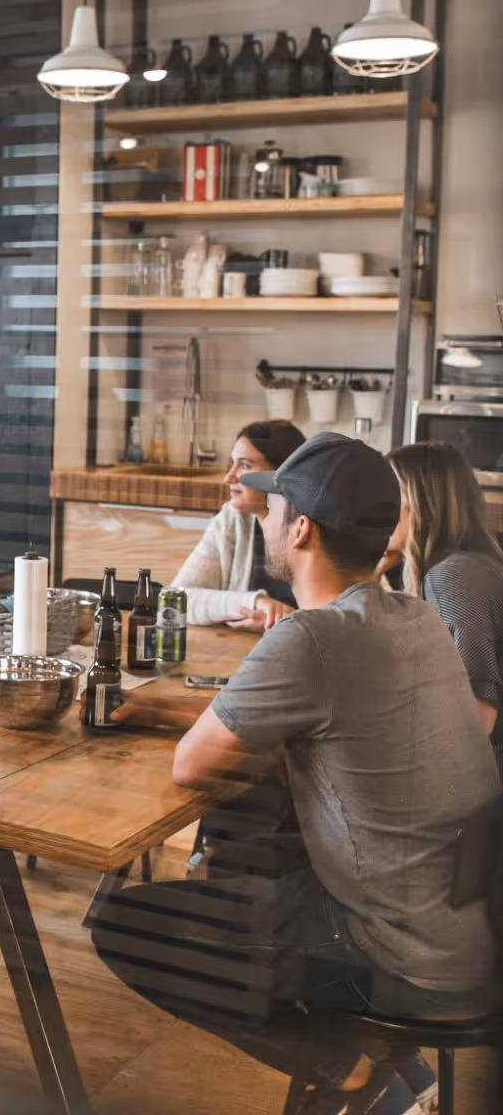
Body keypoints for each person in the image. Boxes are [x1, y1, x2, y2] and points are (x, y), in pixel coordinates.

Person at [91, 433, 502, 1115]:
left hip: (395, 961)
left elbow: (192, 764)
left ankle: (347, 1070)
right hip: (462, 932)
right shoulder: (414, 616)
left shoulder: (310, 638)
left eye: (274, 502)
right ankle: (389, 1073)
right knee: (257, 848)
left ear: (301, 527)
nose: (265, 513)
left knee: (125, 924)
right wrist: (165, 707)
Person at [386, 441, 503, 772]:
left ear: (424, 502)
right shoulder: (467, 566)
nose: (376, 506)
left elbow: (476, 718)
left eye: (391, 493)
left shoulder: (454, 577)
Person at [170, 420, 306, 630]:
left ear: (281, 473)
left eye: (244, 465)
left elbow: (340, 622)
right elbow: (175, 599)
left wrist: (281, 622)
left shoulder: (317, 528)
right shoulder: (231, 520)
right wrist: (255, 602)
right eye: (232, 464)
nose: (228, 477)